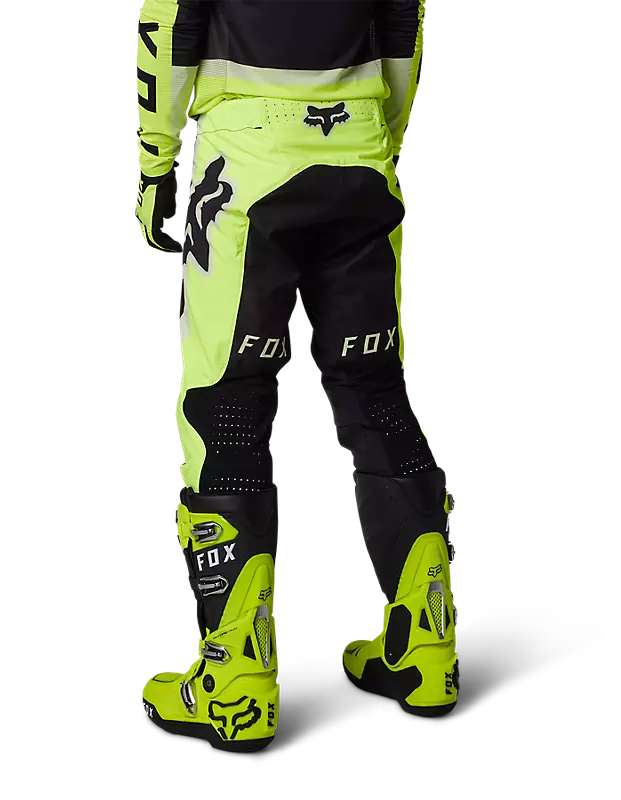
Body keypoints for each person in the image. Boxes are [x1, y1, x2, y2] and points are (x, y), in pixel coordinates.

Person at [135, 0, 457, 751]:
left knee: (226, 409)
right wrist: (377, 139)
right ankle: (426, 651)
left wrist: (155, 162)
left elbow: (169, 18)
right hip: (361, 156)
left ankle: (236, 686)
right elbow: (403, 20)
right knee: (377, 394)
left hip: (247, 167)